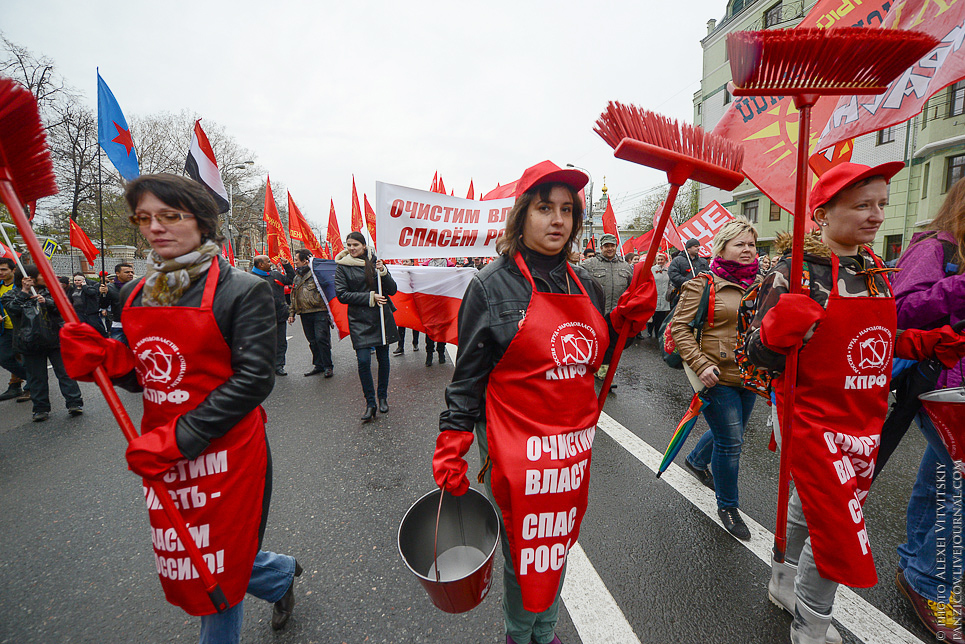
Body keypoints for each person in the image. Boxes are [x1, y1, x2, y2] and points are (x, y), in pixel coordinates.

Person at [60, 173, 302, 643]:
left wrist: (182, 438)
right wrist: (105, 360)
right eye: (145, 218)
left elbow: (255, 379)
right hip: (162, 451)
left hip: (225, 451)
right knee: (193, 555)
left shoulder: (242, 290)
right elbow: (143, 375)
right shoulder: (136, 293)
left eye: (170, 216)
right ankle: (278, 575)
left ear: (203, 221)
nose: (156, 227)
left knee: (211, 565)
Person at [745, 162, 965, 644]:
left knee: (811, 509)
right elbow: (755, 355)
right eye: (863, 205)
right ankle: (810, 629)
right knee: (840, 529)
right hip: (809, 419)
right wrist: (777, 333)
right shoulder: (795, 273)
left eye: (882, 204)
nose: (877, 215)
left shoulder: (874, 270)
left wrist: (928, 343)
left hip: (864, 419)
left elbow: (878, 337)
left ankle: (782, 583)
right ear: (823, 213)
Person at [434, 161, 635, 644]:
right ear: (523, 215)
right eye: (545, 208)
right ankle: (521, 635)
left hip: (571, 449)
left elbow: (594, 358)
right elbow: (468, 379)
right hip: (516, 446)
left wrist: (625, 322)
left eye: (567, 210)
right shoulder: (489, 285)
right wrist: (452, 443)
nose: (558, 220)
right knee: (527, 547)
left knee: (559, 542)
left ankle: (544, 631)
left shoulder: (585, 283)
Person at [891, 177, 965, 643]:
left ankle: (918, 572)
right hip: (944, 388)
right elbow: (897, 311)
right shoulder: (936, 247)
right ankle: (931, 582)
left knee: (943, 480)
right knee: (956, 489)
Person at [672, 217, 760, 540]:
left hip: (750, 377)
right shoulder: (702, 284)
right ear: (722, 247)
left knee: (731, 434)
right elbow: (679, 328)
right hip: (715, 377)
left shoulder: (762, 284)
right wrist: (700, 364)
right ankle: (727, 506)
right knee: (731, 441)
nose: (748, 249)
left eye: (752, 244)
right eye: (740, 244)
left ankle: (696, 459)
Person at [2, 265, 84, 421]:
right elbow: (12, 309)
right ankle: (40, 409)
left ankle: (74, 403)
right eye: (41, 274)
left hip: (54, 339)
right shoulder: (11, 294)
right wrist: (24, 293)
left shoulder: (50, 292)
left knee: (65, 373)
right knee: (36, 378)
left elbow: (64, 309)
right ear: (30, 278)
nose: (46, 277)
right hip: (29, 342)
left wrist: (47, 302)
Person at [335, 231, 399, 422]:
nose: (352, 248)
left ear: (364, 245)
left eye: (355, 245)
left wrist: (384, 272)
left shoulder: (376, 261)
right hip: (359, 319)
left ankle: (382, 397)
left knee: (383, 358)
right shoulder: (343, 267)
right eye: (349, 245)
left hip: (380, 317)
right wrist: (369, 297)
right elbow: (342, 294)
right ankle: (370, 403)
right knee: (363, 361)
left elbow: (392, 289)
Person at [582, 233, 633, 382]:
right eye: (606, 246)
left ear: (616, 247)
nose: (609, 249)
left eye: (612, 246)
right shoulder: (589, 265)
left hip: (616, 315)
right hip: (596, 313)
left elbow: (631, 289)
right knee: (595, 343)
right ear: (601, 247)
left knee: (612, 345)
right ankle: (592, 369)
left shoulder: (625, 266)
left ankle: (604, 372)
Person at [288, 249, 334, 378]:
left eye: (296, 260)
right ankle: (318, 365)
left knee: (321, 339)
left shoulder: (317, 274)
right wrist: (291, 314)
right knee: (312, 341)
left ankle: (328, 366)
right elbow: (293, 296)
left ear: (305, 261)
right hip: (304, 313)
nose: (295, 262)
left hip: (319, 311)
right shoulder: (297, 277)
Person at [252, 254, 293, 376]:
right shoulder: (250, 279)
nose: (271, 263)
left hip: (280, 315)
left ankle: (279, 365)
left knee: (281, 342)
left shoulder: (275, 275)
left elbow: (292, 279)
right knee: (264, 343)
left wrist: (287, 266)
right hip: (262, 319)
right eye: (268, 262)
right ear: (260, 265)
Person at [0, 257, 27, 401]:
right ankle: (33, 380)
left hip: (22, 329)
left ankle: (27, 386)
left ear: (13, 270)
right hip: (5, 330)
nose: (1, 273)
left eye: (4, 269)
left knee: (24, 358)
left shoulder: (21, 287)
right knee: (4, 358)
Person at [667, 238, 710, 307]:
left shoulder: (703, 262)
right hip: (683, 293)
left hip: (699, 294)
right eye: (695, 246)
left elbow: (708, 274)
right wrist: (689, 282)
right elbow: (673, 275)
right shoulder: (677, 260)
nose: (698, 248)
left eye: (698, 246)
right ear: (688, 248)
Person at [102, 262, 135, 343]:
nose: (130, 274)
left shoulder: (136, 286)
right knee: (117, 351)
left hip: (135, 324)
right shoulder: (109, 288)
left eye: (132, 272)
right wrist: (103, 294)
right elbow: (103, 305)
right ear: (118, 273)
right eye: (127, 272)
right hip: (118, 325)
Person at [394, 260, 420, 355]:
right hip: (403, 301)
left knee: (415, 324)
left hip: (413, 301)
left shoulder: (416, 274)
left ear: (412, 263)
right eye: (403, 261)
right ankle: (400, 346)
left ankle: (415, 342)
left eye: (407, 261)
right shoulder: (399, 274)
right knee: (401, 324)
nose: (404, 263)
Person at [68, 272, 107, 337]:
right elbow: (70, 299)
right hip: (78, 312)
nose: (77, 282)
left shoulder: (90, 288)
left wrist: (84, 286)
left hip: (90, 312)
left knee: (95, 326)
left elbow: (91, 293)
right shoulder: (72, 289)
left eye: (79, 280)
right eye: (75, 280)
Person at [648, 252, 671, 338]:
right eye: (659, 259)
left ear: (665, 260)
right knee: (653, 316)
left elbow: (670, 282)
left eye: (662, 259)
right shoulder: (652, 269)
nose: (660, 261)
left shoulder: (668, 270)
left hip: (664, 296)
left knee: (661, 317)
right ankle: (650, 331)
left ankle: (658, 332)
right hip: (654, 296)